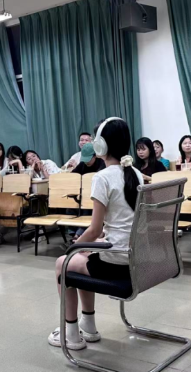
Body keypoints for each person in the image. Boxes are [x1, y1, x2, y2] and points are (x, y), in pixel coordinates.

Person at [48, 117, 143, 350]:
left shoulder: (102, 177)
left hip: (116, 261)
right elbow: (121, 223)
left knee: (64, 262)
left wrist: (74, 247)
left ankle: (71, 333)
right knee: (83, 255)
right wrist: (90, 244)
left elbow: (94, 229)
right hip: (137, 258)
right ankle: (88, 325)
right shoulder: (136, 173)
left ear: (101, 145)